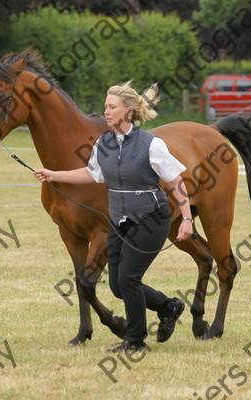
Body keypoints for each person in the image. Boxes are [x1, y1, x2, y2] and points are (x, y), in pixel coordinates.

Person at [33, 81, 194, 352]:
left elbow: (176, 181)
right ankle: (169, 306)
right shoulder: (104, 142)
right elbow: (91, 174)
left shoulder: (151, 144)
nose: (105, 111)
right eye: (105, 106)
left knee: (129, 279)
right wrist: (53, 174)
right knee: (119, 286)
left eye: (111, 107)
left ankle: (135, 340)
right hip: (120, 221)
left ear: (128, 111)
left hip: (151, 219)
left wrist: (187, 219)